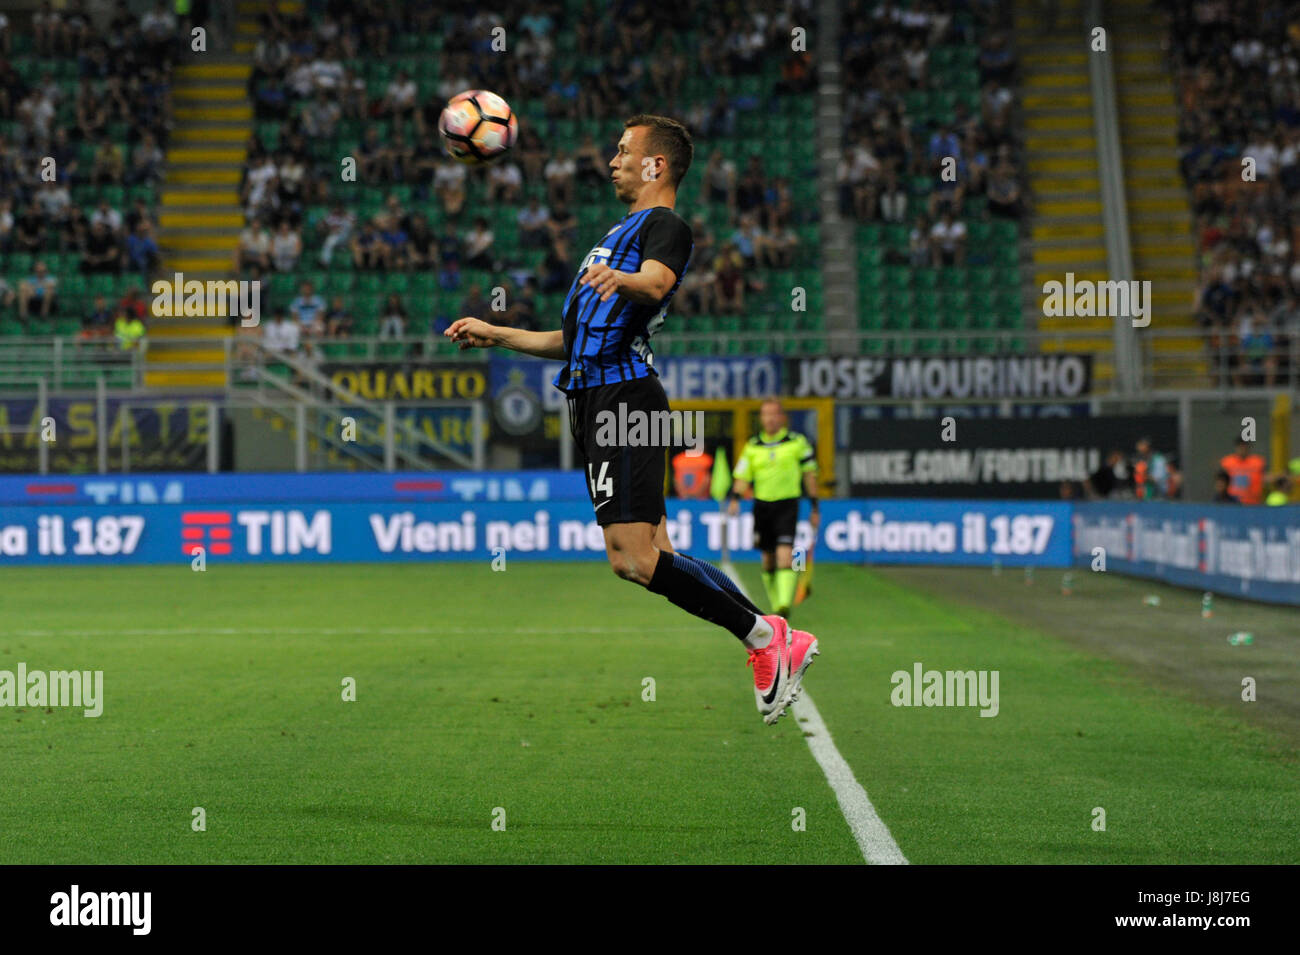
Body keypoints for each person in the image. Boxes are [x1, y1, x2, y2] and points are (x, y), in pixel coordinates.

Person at [445, 114, 818, 725]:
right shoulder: (617, 234)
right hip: (595, 398)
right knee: (658, 553)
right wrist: (498, 335)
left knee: (631, 558)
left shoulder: (664, 226)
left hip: (624, 401)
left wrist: (625, 278)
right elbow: (575, 339)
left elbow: (658, 281)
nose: (612, 160)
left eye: (624, 151)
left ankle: (763, 637)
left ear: (656, 165)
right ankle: (774, 632)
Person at [727, 398, 820, 617]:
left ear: (782, 417)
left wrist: (815, 507)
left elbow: (809, 475)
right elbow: (742, 476)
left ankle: (782, 607)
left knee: (786, 555)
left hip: (787, 505)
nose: (769, 418)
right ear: (761, 418)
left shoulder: (797, 443)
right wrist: (735, 499)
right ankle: (777, 602)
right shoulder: (752, 446)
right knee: (767, 560)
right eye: (765, 414)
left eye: (773, 414)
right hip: (762, 507)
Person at [1219, 439, 1267, 505]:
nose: (1243, 449)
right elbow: (1222, 481)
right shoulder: (1228, 462)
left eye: (1245, 446)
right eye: (1240, 446)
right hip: (1232, 502)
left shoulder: (1257, 462)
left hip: (1252, 502)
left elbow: (1264, 477)